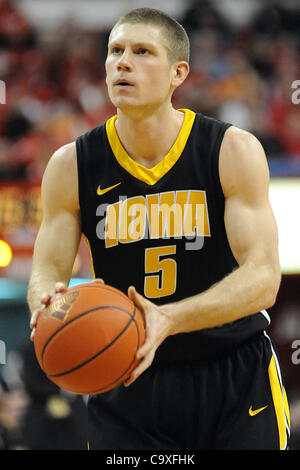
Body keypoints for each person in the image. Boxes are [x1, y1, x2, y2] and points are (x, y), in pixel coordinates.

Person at [28, 8, 290, 450]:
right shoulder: (72, 164)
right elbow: (46, 272)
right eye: (115, 51)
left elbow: (263, 279)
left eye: (142, 52)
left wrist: (170, 318)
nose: (122, 62)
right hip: (126, 373)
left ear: (177, 73)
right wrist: (47, 305)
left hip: (232, 370)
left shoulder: (231, 149)